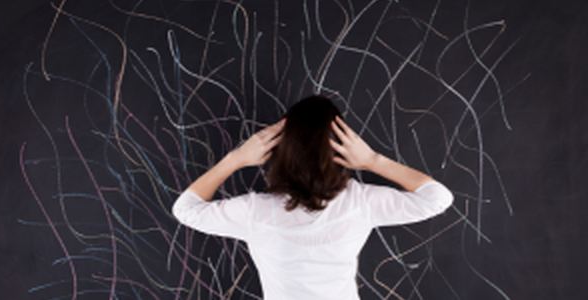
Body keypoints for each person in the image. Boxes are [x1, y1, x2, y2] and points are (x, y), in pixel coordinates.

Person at [172, 95, 453, 300]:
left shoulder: (255, 212)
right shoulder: (361, 202)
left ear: (283, 149)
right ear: (340, 149)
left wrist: (235, 159)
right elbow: (437, 198)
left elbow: (186, 209)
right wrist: (372, 161)